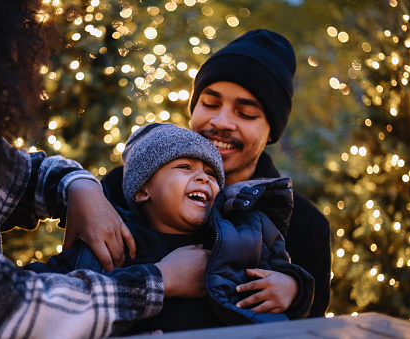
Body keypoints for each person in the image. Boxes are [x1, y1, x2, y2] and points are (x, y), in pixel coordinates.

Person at [0, 1, 208, 337]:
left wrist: (79, 185)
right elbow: (20, 312)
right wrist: (160, 280)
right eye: (184, 166)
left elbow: (28, 174)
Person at [102, 29, 331, 317]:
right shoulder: (123, 186)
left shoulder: (305, 227)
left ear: (271, 130)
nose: (221, 121)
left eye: (246, 113)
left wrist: (295, 291)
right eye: (210, 103)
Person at [26, 123, 314, 335]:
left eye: (211, 173)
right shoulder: (113, 242)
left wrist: (294, 288)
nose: (202, 178)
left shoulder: (241, 231)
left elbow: (284, 271)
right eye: (185, 167)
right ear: (143, 191)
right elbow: (37, 289)